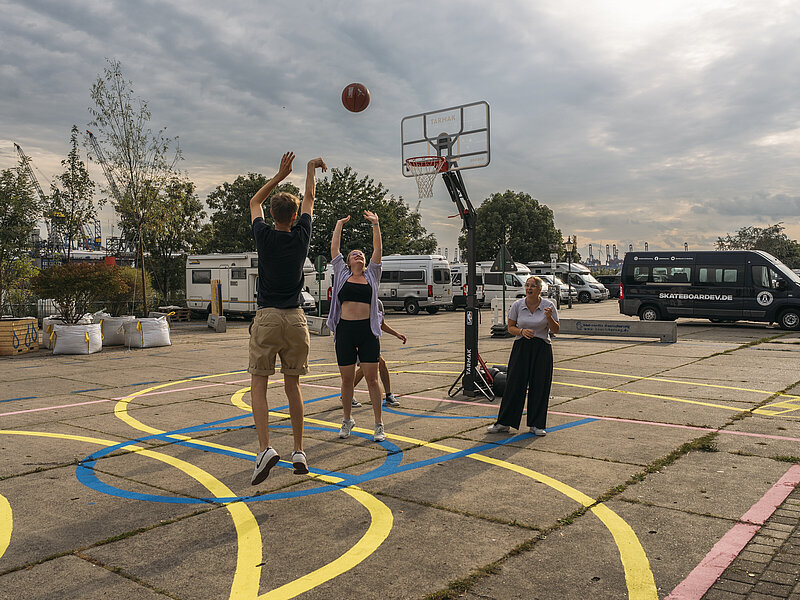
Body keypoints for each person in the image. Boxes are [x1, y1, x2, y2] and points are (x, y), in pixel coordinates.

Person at [248, 152, 327, 484]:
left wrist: (280, 175)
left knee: (259, 384)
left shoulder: (264, 236)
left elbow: (254, 201)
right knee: (293, 385)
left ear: (272, 215)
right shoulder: (301, 236)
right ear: (294, 217)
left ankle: (265, 448)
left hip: (267, 317)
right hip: (296, 319)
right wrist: (310, 169)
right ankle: (298, 450)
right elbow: (310, 197)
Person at [326, 212, 385, 442]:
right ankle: (347, 419)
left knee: (372, 379)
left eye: (361, 254)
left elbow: (378, 250)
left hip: (367, 332)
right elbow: (334, 249)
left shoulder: (372, 275)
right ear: (348, 262)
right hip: (345, 331)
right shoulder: (342, 274)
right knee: (347, 379)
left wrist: (376, 225)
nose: (358, 255)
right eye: (354, 254)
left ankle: (378, 424)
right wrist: (339, 224)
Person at [487, 276, 559, 436]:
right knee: (514, 384)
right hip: (522, 347)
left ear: (539, 289)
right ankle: (504, 423)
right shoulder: (518, 305)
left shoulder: (548, 306)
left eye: (532, 286)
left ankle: (537, 424)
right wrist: (521, 331)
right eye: (527, 285)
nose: (529, 288)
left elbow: (556, 329)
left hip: (542, 348)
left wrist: (549, 317)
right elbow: (510, 327)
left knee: (540, 385)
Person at [352, 299, 407, 407]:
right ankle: (346, 393)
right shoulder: (359, 302)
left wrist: (397, 334)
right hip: (358, 340)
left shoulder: (378, 303)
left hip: (371, 341)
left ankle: (389, 395)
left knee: (381, 364)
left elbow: (382, 324)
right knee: (365, 368)